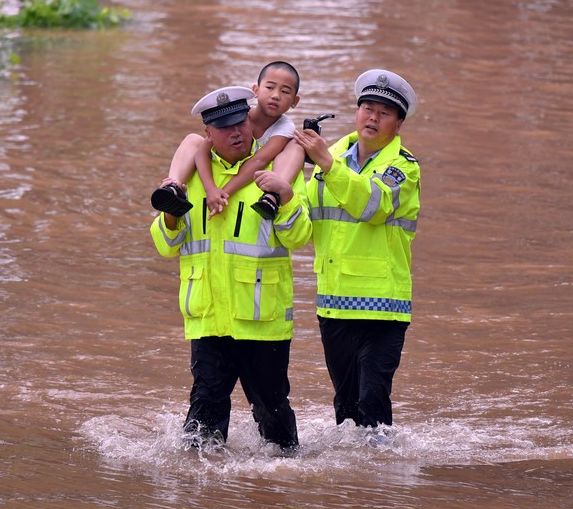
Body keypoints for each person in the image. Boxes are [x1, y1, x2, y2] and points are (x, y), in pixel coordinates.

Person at [150, 85, 313, 453]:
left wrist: (284, 199)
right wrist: (172, 220)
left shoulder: (278, 169)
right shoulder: (187, 178)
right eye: (224, 127)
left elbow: (301, 237)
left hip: (263, 322)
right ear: (208, 133)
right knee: (201, 430)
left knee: (276, 427)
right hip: (209, 320)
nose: (236, 132)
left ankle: (278, 490)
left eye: (240, 122)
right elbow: (164, 245)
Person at [293, 68, 421, 435]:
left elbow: (374, 205)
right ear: (356, 112)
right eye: (367, 108)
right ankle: (351, 489)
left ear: (398, 123)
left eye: (384, 112)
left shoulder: (403, 168)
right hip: (333, 303)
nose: (373, 117)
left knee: (373, 404)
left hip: (383, 307)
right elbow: (302, 219)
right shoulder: (327, 157)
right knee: (345, 409)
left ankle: (380, 484)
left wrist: (327, 165)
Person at [151, 61, 305, 220]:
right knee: (192, 139)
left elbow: (259, 160)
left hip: (257, 170)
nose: (275, 95)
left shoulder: (285, 128)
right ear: (256, 90)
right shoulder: (241, 114)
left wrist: (224, 193)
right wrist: (210, 189)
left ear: (295, 101)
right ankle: (173, 187)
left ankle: (272, 196)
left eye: (285, 91)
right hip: (231, 162)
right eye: (270, 87)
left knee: (297, 144)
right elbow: (201, 152)